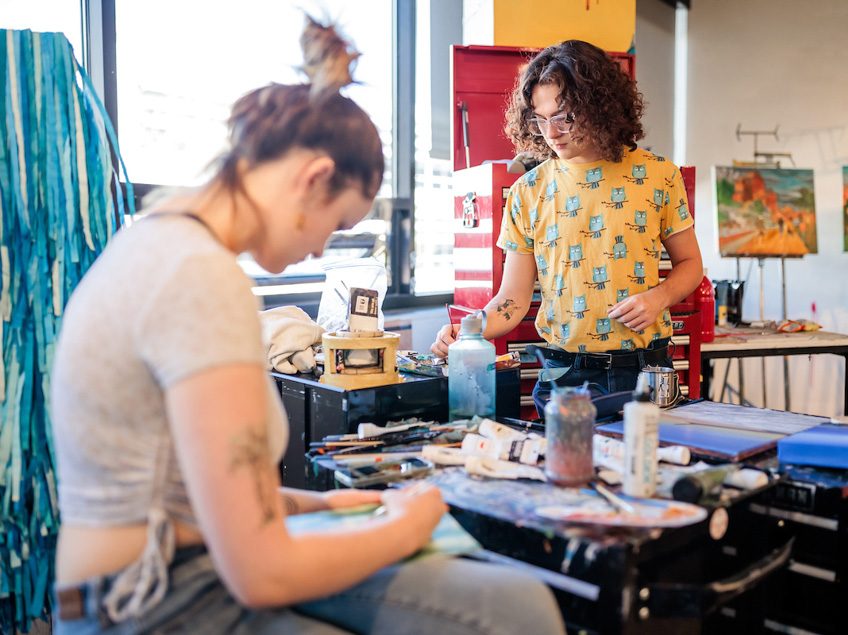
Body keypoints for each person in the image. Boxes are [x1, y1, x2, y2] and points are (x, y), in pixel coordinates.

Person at [50, 18, 566, 635]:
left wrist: (327, 504)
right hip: (156, 599)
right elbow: (261, 571)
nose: (321, 249)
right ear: (312, 178)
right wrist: (410, 523)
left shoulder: (164, 249)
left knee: (505, 602)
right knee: (515, 610)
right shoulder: (196, 277)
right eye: (334, 222)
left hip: (179, 567)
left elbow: (206, 497)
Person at [431, 40, 703, 416]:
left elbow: (690, 263)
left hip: (644, 373)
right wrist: (470, 330)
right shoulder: (529, 191)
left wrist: (658, 298)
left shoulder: (659, 176)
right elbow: (512, 300)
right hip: (562, 377)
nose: (551, 133)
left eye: (564, 117)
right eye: (540, 119)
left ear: (599, 106)